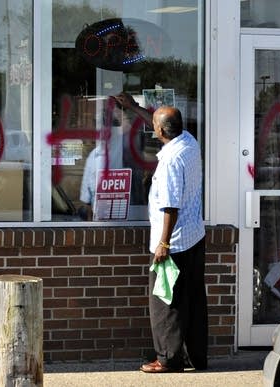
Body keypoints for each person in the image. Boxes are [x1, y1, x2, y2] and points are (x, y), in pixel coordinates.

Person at [117, 93, 207, 373]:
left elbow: (170, 206)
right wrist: (134, 108)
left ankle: (167, 358)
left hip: (174, 244)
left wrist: (163, 244)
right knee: (192, 299)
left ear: (159, 131)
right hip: (194, 237)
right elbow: (160, 122)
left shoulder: (169, 161)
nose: (151, 126)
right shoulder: (188, 143)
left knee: (165, 303)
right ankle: (197, 357)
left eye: (153, 124)